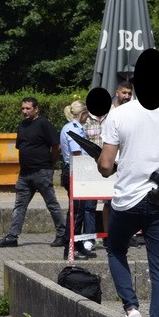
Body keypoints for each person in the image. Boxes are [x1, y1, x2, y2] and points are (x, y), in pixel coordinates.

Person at [97, 49, 159, 317]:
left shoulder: (119, 115)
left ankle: (130, 306)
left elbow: (105, 166)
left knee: (115, 249)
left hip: (127, 199)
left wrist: (112, 162)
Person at [0, 97, 67, 248]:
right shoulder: (22, 125)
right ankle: (12, 237)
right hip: (25, 174)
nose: (25, 111)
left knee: (52, 204)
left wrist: (50, 164)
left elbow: (56, 146)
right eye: (23, 109)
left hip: (42, 171)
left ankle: (62, 235)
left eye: (28, 108)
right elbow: (22, 146)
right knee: (19, 205)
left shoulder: (44, 124)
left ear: (36, 109)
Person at [60, 100, 97, 259]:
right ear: (82, 114)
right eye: (86, 114)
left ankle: (78, 244)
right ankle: (71, 247)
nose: (87, 117)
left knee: (79, 210)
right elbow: (77, 154)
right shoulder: (74, 130)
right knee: (76, 212)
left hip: (76, 170)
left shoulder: (71, 128)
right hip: (76, 171)